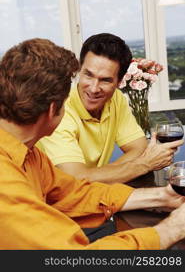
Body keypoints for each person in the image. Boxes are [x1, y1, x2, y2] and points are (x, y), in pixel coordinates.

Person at [0, 37, 185, 250]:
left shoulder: (28, 153)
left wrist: (161, 196)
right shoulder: (6, 186)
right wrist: (172, 229)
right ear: (53, 109)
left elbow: (72, 192)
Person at [39, 33, 182, 184]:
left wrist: (101, 174)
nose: (94, 89)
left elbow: (139, 147)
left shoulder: (116, 100)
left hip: (93, 195)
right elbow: (75, 179)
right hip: (53, 200)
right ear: (80, 70)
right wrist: (142, 165)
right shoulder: (58, 111)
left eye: (105, 80)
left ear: (119, 82)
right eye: (88, 75)